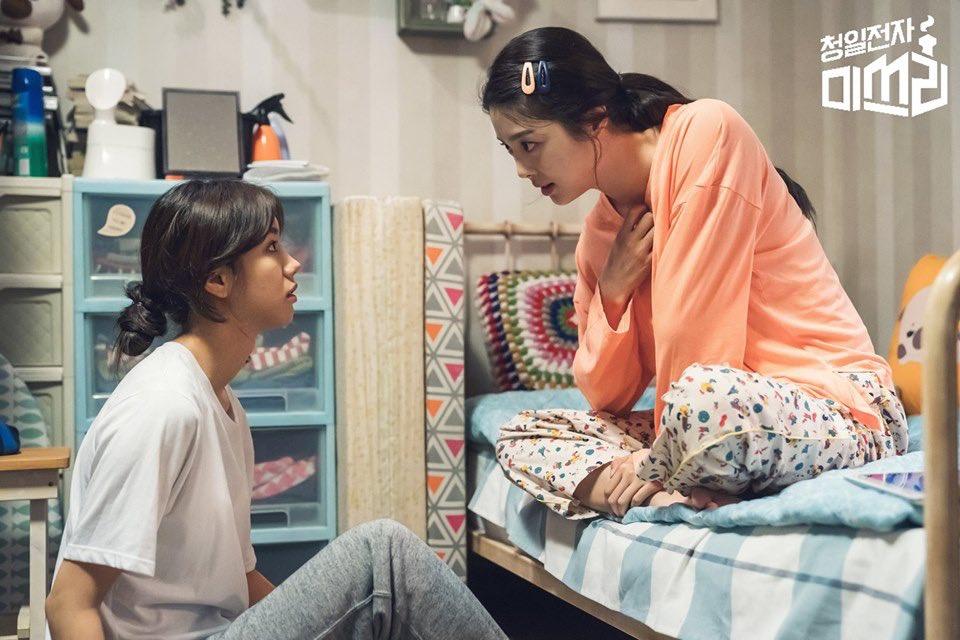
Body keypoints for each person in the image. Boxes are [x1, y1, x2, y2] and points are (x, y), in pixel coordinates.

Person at [45, 180, 507, 640]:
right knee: (383, 554)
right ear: (218, 279)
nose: (293, 262)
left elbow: (240, 582)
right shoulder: (162, 406)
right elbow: (69, 604)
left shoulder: (222, 403)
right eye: (271, 247)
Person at [484, 27, 909, 519]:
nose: (522, 169)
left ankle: (664, 479)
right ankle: (662, 493)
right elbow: (606, 397)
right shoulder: (601, 236)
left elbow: (696, 335)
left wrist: (660, 452)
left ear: (594, 120)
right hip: (706, 424)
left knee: (704, 399)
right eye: (511, 150)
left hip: (837, 409)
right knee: (523, 434)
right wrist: (613, 292)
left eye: (529, 144)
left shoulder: (707, 132)